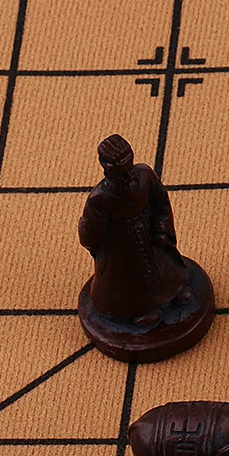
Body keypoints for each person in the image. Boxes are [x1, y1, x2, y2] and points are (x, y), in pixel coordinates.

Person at [78, 135, 192, 328]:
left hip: (149, 233)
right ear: (107, 171)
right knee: (127, 282)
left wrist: (161, 230)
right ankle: (140, 310)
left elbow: (161, 202)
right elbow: (90, 234)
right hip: (121, 247)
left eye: (129, 169)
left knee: (164, 267)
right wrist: (100, 247)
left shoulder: (146, 176)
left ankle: (175, 290)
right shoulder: (100, 199)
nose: (129, 177)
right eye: (121, 174)